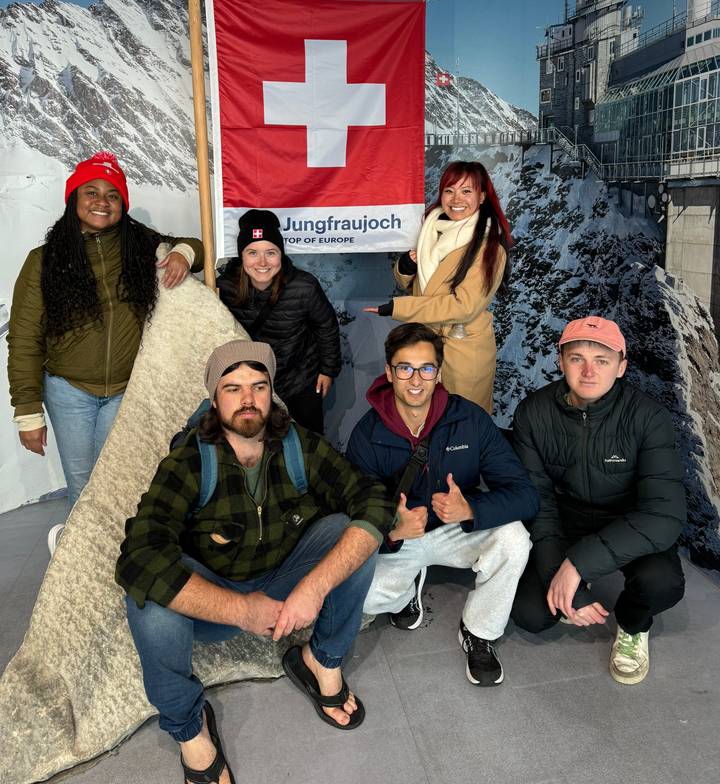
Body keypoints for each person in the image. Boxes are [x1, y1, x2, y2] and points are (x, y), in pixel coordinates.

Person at [116, 340, 395, 783]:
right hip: (217, 598)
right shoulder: (190, 459)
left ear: (270, 393)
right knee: (146, 598)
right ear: (214, 400)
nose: (247, 399)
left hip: (284, 579)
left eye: (258, 386)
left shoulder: (296, 443)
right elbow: (140, 554)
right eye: (233, 388)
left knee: (355, 531)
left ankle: (321, 659)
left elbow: (371, 500)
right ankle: (191, 729)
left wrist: (315, 586)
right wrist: (241, 610)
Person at [7, 151, 203, 551]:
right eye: (91, 191)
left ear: (123, 205)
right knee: (84, 488)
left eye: (113, 195)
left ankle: (124, 560)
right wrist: (27, 411)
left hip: (126, 391)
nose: (102, 201)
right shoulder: (43, 260)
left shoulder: (141, 245)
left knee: (126, 481)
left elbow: (193, 244)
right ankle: (83, 564)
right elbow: (25, 335)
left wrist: (183, 253)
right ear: (74, 200)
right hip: (69, 390)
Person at [346, 322, 538, 687]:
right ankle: (404, 594)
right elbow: (352, 511)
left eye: (426, 368)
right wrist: (393, 529)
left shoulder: (470, 420)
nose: (415, 379)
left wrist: (471, 511)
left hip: (456, 528)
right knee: (362, 596)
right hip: (401, 538)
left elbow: (525, 495)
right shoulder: (367, 434)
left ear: (439, 372)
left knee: (514, 539)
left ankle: (479, 631)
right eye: (405, 368)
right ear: (389, 372)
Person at [510, 316, 686, 685]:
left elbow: (665, 514)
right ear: (561, 361)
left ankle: (633, 624)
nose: (589, 371)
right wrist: (566, 577)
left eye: (602, 360)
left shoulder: (648, 417)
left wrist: (576, 565)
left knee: (663, 583)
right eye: (577, 359)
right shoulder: (533, 412)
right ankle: (569, 593)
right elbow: (537, 501)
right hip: (565, 519)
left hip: (630, 520)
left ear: (621, 367)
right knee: (530, 614)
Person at [364, 161, 512, 414]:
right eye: (449, 190)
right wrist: (407, 266)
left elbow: (463, 306)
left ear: (482, 197)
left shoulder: (490, 249)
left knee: (462, 424)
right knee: (423, 421)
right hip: (425, 346)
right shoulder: (431, 231)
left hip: (462, 352)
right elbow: (417, 285)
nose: (456, 199)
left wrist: (396, 308)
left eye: (467, 191)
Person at [218, 209, 340, 433]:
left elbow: (326, 327)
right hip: (251, 385)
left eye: (271, 252)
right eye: (252, 252)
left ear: (281, 255)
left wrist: (328, 370)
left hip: (299, 381)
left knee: (306, 446)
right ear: (241, 255)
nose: (262, 262)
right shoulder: (224, 288)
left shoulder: (304, 286)